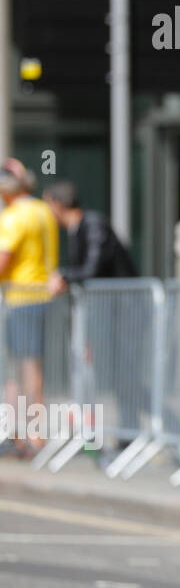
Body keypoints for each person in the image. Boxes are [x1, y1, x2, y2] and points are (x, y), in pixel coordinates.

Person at [42, 181, 143, 448]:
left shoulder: (93, 225)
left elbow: (92, 269)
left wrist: (64, 275)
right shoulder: (77, 230)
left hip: (125, 312)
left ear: (57, 205)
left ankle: (130, 434)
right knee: (99, 375)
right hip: (105, 315)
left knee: (125, 375)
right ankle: (90, 438)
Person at [0, 160, 60, 458]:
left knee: (24, 370)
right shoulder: (42, 210)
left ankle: (29, 437)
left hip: (21, 298)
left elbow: (3, 258)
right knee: (32, 370)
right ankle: (22, 435)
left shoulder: (14, 216)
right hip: (43, 299)